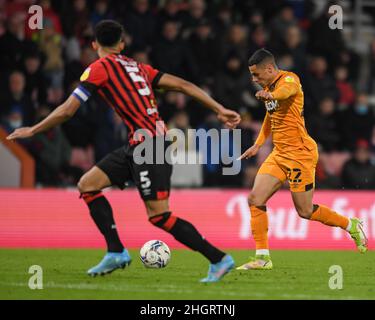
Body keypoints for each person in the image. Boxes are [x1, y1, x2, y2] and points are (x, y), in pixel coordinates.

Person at [7, 20, 240, 282]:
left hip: (151, 147)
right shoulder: (139, 67)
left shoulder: (98, 69)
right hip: (138, 144)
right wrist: (218, 108)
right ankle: (116, 251)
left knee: (159, 215)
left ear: (94, 45)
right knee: (88, 184)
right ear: (121, 44)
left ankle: (218, 258)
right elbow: (184, 85)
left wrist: (33, 129)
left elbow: (68, 110)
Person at [236, 49, 367, 270]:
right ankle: (262, 257)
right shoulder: (268, 88)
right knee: (255, 198)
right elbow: (270, 116)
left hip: (300, 154)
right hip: (279, 153)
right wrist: (258, 145)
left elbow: (286, 92)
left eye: (256, 75)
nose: (254, 79)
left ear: (269, 68)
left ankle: (350, 224)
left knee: (304, 211)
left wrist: (271, 96)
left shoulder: (289, 79)